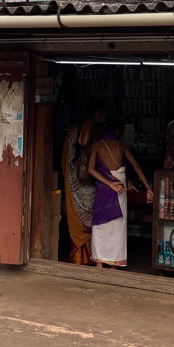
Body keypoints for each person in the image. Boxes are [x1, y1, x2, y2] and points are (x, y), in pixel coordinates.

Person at [88, 113, 153, 268]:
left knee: (100, 226)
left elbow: (91, 169)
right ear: (118, 131)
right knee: (117, 227)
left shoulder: (97, 145)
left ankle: (99, 264)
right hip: (119, 190)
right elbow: (136, 166)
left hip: (103, 190)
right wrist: (149, 188)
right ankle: (114, 264)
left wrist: (109, 184)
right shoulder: (122, 145)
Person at [61, 106, 105, 265]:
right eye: (104, 115)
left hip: (73, 180)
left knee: (78, 215)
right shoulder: (91, 126)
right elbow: (84, 143)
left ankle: (80, 256)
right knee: (91, 215)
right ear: (97, 113)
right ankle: (92, 256)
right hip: (85, 179)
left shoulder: (74, 127)